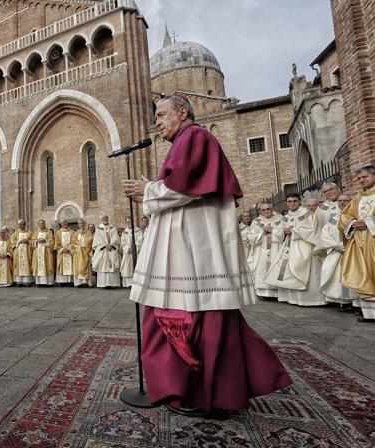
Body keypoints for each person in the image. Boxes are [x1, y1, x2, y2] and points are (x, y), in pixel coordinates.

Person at [124, 93, 290, 415]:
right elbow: (181, 187)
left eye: (161, 114)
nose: (156, 122)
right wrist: (151, 189)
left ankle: (206, 397)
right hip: (190, 250)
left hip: (195, 253)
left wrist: (146, 189)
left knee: (200, 319)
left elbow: (181, 188)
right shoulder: (186, 141)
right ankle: (199, 392)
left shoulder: (195, 136)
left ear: (182, 112)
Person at [264, 193, 323, 306]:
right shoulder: (286, 217)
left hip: (305, 246)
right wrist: (282, 231)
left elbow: (313, 230)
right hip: (289, 246)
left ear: (300, 201)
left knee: (306, 270)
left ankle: (310, 300)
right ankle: (292, 298)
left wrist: (294, 231)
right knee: (287, 270)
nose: (292, 203)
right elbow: (279, 230)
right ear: (286, 203)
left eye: (295, 201)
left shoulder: (307, 214)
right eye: (289, 201)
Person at [339, 165, 375, 322]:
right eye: (359, 178)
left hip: (372, 238)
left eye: (365, 177)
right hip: (360, 241)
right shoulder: (357, 197)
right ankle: (370, 313)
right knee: (363, 273)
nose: (361, 181)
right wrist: (352, 222)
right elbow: (345, 215)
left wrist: (368, 223)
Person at [313, 193, 353, 310]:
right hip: (336, 250)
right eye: (340, 200)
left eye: (345, 200)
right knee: (337, 277)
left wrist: (346, 246)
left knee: (350, 275)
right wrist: (333, 246)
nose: (342, 202)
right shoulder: (333, 216)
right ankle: (343, 301)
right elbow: (326, 231)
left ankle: (354, 303)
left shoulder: (355, 215)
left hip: (352, 251)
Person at [247, 203, 284, 299]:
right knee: (262, 269)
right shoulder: (256, 221)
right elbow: (251, 237)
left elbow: (283, 233)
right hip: (261, 250)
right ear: (260, 211)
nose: (266, 211)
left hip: (276, 248)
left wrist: (273, 230)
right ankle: (263, 293)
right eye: (263, 210)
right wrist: (262, 232)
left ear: (272, 209)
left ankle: (276, 292)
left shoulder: (280, 219)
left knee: (276, 268)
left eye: (268, 209)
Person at [92, 214, 121, 288]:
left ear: (108, 218)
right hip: (103, 250)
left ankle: (113, 284)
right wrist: (105, 245)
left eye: (106, 218)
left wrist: (111, 244)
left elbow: (116, 237)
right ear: (101, 219)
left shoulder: (113, 227)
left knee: (113, 265)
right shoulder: (98, 229)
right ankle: (103, 284)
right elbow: (97, 239)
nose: (105, 219)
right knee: (103, 266)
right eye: (104, 218)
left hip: (112, 249)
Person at [11, 219, 34, 285]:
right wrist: (19, 241)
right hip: (18, 253)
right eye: (19, 224)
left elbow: (33, 241)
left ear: (24, 224)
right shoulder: (16, 233)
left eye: (21, 224)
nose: (20, 226)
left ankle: (27, 281)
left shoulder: (29, 232)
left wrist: (28, 241)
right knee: (18, 265)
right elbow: (12, 241)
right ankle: (19, 281)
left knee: (27, 264)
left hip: (27, 252)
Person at [72, 218, 93, 287]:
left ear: (84, 224)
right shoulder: (76, 233)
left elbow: (90, 240)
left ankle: (86, 282)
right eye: (80, 223)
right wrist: (78, 246)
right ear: (78, 225)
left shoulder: (88, 232)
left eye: (82, 223)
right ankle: (79, 283)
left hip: (86, 252)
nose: (81, 225)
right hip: (78, 253)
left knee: (86, 267)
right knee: (79, 267)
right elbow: (73, 242)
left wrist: (84, 242)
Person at [32, 219, 54, 286]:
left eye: (43, 223)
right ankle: (39, 282)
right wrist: (36, 241)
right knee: (38, 266)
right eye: (40, 224)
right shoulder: (36, 232)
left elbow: (52, 241)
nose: (41, 225)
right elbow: (32, 241)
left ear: (45, 224)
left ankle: (48, 282)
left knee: (47, 265)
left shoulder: (49, 232)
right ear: (38, 225)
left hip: (46, 252)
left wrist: (45, 241)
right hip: (38, 252)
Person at [54, 219, 75, 285]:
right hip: (62, 252)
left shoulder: (72, 232)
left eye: (65, 222)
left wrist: (68, 248)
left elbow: (74, 241)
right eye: (63, 223)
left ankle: (70, 281)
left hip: (69, 252)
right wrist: (62, 249)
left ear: (67, 223)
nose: (64, 223)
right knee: (62, 266)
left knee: (70, 266)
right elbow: (56, 242)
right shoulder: (58, 232)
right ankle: (62, 282)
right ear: (61, 224)